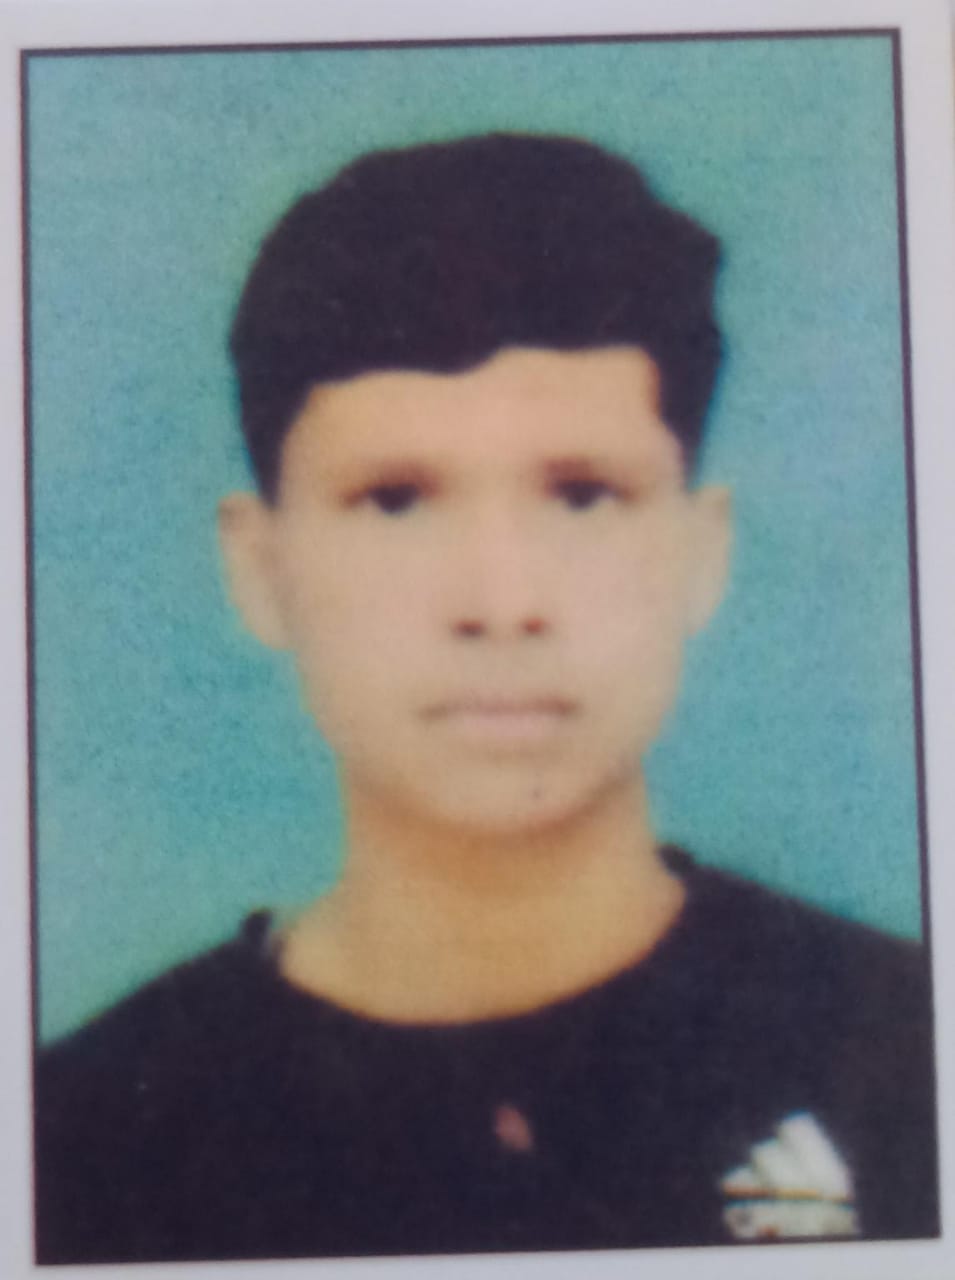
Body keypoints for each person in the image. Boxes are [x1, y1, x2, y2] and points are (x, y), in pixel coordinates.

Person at [34, 133, 937, 1264]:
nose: (501, 604)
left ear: (700, 552)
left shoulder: (908, 1053)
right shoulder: (78, 1143)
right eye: (395, 500)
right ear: (260, 568)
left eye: (582, 495)